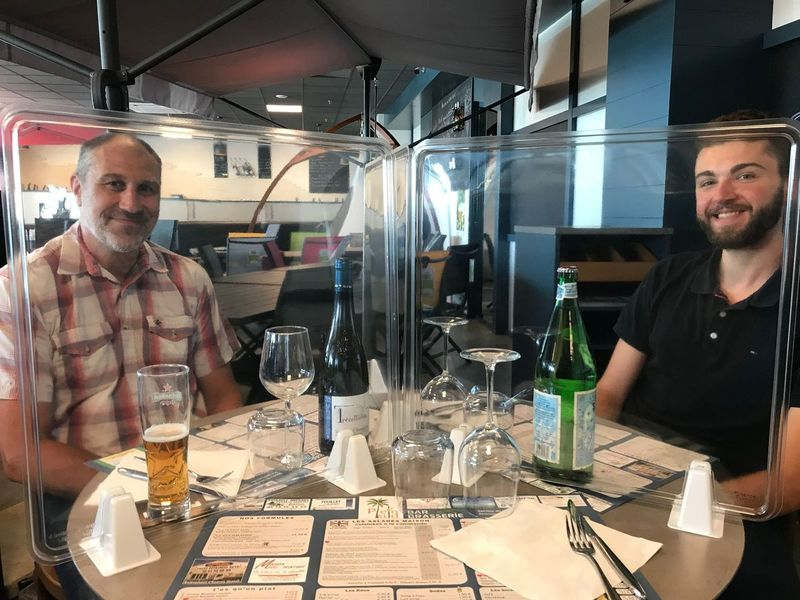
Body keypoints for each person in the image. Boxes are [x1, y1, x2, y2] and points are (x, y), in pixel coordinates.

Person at [596, 110, 800, 598]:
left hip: (738, 514)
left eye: (745, 175)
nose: (722, 195)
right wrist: (588, 473)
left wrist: (676, 506)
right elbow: (607, 395)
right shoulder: (669, 276)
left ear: (790, 187)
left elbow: (790, 482)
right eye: (707, 181)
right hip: (625, 487)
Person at [0, 131, 243, 496]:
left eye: (146, 188)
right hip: (85, 502)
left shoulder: (188, 279)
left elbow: (224, 398)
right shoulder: (23, 288)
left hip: (189, 489)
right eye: (114, 184)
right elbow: (20, 453)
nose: (131, 204)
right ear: (78, 188)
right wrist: (142, 493)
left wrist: (209, 479)